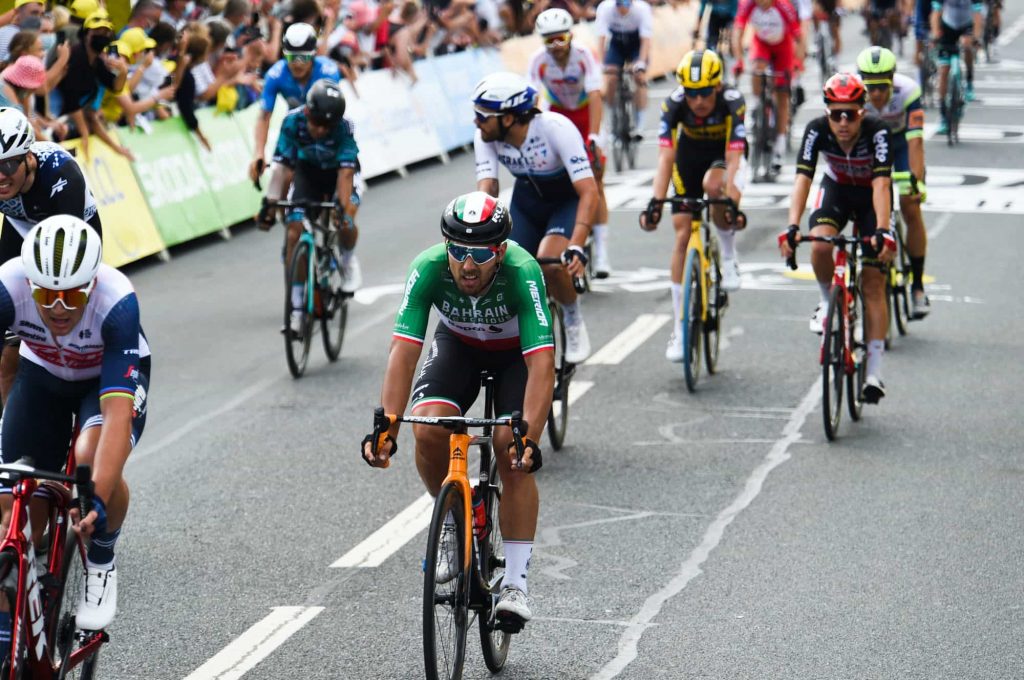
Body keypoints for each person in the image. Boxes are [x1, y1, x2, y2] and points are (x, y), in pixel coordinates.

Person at [362, 191, 552, 631]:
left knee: (510, 448)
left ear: (500, 251)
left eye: (481, 254)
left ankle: (516, 583)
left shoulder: (522, 272)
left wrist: (532, 436)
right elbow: (404, 349)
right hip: (459, 348)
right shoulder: (428, 268)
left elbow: (541, 362)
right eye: (458, 251)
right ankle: (456, 522)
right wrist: (387, 424)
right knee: (427, 428)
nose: (468, 265)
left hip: (514, 357)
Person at [0, 215, 149, 633]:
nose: (58, 307)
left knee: (90, 457)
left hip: (102, 381)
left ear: (92, 284)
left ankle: (101, 561)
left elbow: (118, 415)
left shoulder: (117, 302)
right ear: (30, 283)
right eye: (46, 294)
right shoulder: (6, 287)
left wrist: (96, 501)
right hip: (42, 374)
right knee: (16, 504)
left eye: (71, 294)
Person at [778, 73, 895, 403]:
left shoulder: (878, 131)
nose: (843, 122)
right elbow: (803, 178)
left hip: (872, 197)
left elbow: (882, 185)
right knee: (819, 244)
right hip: (838, 192)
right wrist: (791, 225)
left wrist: (883, 231)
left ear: (862, 111)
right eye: (836, 114)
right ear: (827, 112)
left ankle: (874, 372)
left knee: (872, 282)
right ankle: (826, 302)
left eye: (851, 114)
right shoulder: (815, 130)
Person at [473, 71, 598, 364]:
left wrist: (577, 243)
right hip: (526, 203)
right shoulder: (486, 136)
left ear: (508, 118)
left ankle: (572, 318)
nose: (476, 121)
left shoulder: (556, 128)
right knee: (504, 267)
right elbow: (487, 190)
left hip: (565, 201)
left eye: (483, 114)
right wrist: (477, 238)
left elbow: (589, 191)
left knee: (550, 263)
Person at [640, 49, 747, 362]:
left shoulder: (732, 101)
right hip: (689, 156)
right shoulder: (673, 105)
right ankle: (679, 327)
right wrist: (656, 201)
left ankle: (728, 257)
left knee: (715, 189)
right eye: (691, 93)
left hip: (722, 156)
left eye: (703, 93)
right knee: (682, 232)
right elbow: (666, 157)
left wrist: (731, 200)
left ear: (716, 86)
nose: (697, 101)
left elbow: (735, 157)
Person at [0, 107, 102, 403]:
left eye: (7, 166)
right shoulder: (6, 177)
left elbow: (64, 260)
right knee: (7, 350)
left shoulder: (60, 173)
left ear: (28, 157)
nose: (1, 177)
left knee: (60, 312)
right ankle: (9, 435)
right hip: (21, 227)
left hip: (71, 231)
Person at [258, 78, 361, 335]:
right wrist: (271, 206)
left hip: (339, 174)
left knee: (345, 219)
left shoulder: (345, 127)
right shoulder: (292, 121)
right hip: (308, 174)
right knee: (294, 229)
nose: (321, 131)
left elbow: (346, 175)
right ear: (307, 112)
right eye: (316, 123)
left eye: (328, 126)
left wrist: (342, 206)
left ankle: (347, 262)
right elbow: (282, 168)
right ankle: (295, 310)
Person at [529, 7, 613, 277]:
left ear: (570, 36)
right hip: (558, 117)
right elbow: (534, 100)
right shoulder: (538, 61)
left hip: (586, 116)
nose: (556, 46)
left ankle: (601, 253)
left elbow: (596, 97)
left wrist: (594, 137)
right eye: (549, 40)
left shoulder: (584, 56)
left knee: (595, 181)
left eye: (561, 39)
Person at [857, 46, 931, 318]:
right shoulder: (854, 93)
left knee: (911, 206)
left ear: (892, 80)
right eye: (870, 87)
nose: (875, 94)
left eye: (882, 87)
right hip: (868, 148)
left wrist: (917, 182)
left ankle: (918, 286)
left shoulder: (909, 91)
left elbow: (916, 141)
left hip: (901, 146)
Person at [248, 22, 341, 185]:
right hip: (295, 127)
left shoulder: (328, 71)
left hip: (325, 124)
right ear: (284, 55)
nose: (297, 63)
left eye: (303, 57)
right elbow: (264, 117)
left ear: (313, 55)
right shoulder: (275, 75)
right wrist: (259, 153)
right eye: (292, 57)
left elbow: (333, 116)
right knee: (279, 177)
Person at [732, 0, 803, 171]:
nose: (761, 3)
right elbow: (737, 33)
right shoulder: (748, 4)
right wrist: (739, 60)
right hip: (761, 43)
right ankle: (757, 103)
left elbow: (799, 38)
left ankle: (779, 143)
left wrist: (798, 62)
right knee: (756, 68)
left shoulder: (784, 6)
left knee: (782, 94)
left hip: (783, 46)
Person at [594, 0, 652, 137]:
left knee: (639, 77)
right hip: (617, 44)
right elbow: (601, 39)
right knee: (611, 78)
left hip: (636, 44)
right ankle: (613, 115)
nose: (622, 9)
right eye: (619, 5)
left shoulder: (642, 9)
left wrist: (641, 63)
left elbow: (646, 40)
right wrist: (603, 65)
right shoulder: (605, 8)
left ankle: (640, 122)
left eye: (626, 4)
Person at [930, 0, 983, 134]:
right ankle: (943, 115)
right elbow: (936, 13)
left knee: (967, 45)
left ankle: (969, 82)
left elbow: (977, 15)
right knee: (943, 71)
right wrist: (936, 35)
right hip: (948, 26)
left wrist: (976, 38)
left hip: (967, 26)